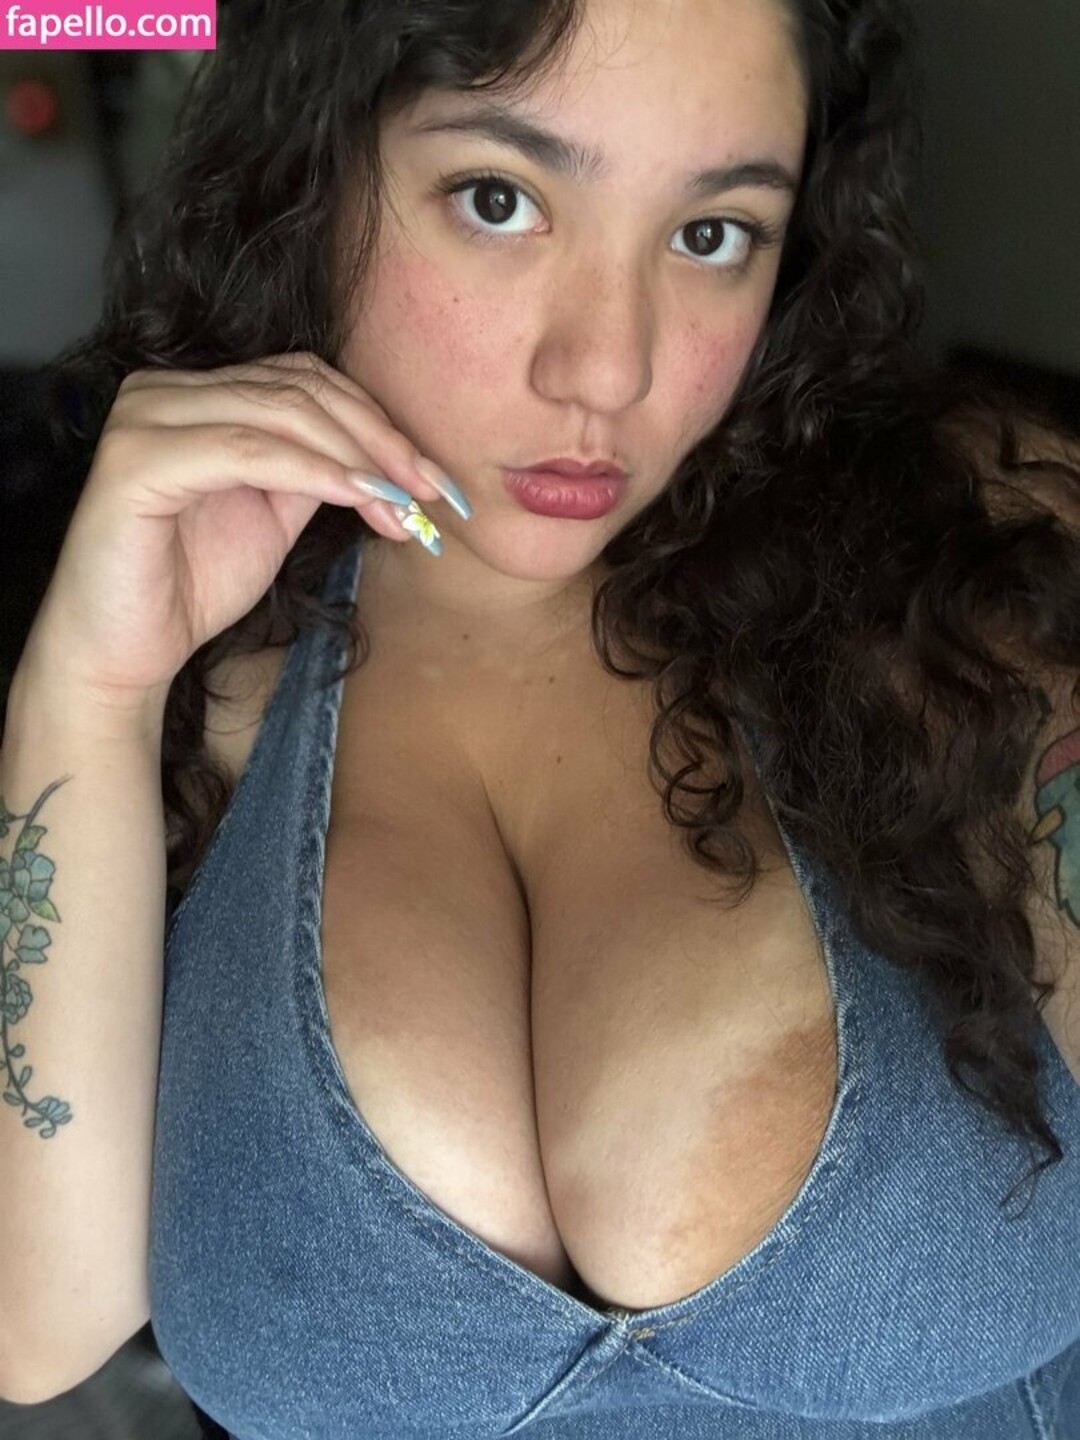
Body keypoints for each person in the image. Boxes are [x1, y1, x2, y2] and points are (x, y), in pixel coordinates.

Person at [1, 0, 1078, 1433]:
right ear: (316, 168)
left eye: (712, 233)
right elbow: (39, 1323)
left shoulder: (968, 556)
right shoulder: (196, 657)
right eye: (501, 201)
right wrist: (91, 689)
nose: (607, 368)